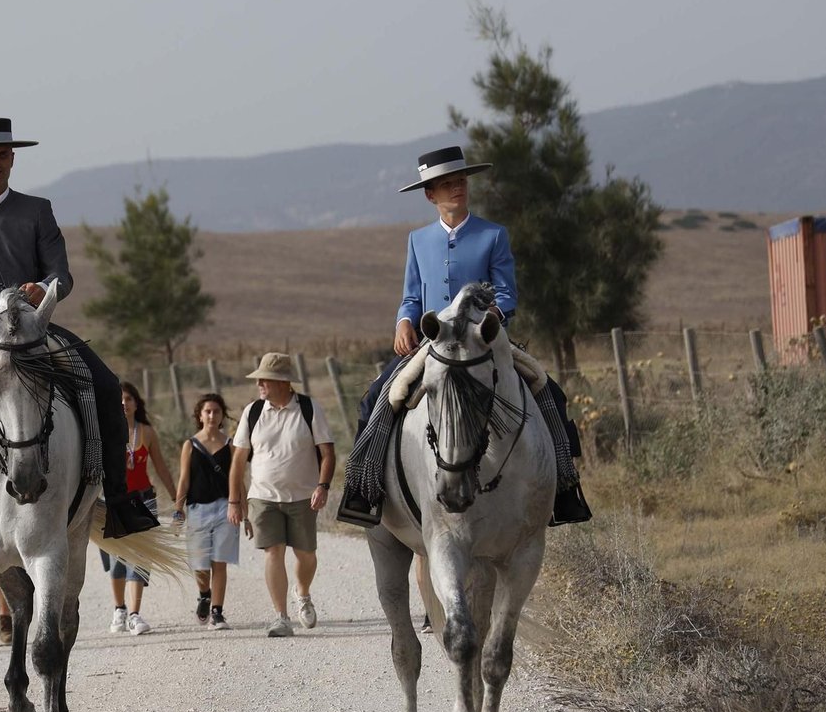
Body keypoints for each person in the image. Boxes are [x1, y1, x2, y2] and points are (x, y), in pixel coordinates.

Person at [334, 145, 590, 629]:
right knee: (376, 399)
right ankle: (364, 488)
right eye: (448, 183)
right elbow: (412, 294)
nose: (459, 186)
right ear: (431, 194)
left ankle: (564, 489)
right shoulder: (418, 240)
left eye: (462, 180)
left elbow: (507, 291)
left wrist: (493, 317)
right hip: (432, 348)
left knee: (547, 391)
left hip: (482, 344)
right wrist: (404, 321)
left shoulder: (493, 235)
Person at [0, 118, 160, 554]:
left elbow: (63, 274)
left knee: (105, 386)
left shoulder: (37, 210)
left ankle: (119, 500)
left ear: (12, 160)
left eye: (2, 155)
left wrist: (46, 288)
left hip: (32, 329)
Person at [228, 353, 336, 638]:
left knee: (306, 555)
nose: (260, 383)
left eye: (266, 379)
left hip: (303, 496)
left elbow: (327, 454)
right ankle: (281, 617)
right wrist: (234, 501)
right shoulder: (252, 412)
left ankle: (302, 593)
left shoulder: (310, 409)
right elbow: (238, 461)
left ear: (284, 382)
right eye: (259, 379)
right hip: (262, 497)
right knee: (273, 552)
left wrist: (323, 486)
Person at [102, 382, 176, 636]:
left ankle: (134, 614)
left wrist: (178, 500)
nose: (125, 403)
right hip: (116, 501)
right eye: (120, 399)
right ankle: (119, 609)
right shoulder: (107, 432)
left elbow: (162, 468)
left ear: (137, 403)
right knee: (118, 557)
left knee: (141, 557)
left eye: (130, 398)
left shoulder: (147, 432)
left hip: (144, 501)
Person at [174, 393, 239, 631]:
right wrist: (178, 510)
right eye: (207, 411)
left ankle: (218, 612)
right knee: (200, 564)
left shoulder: (231, 444)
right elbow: (184, 480)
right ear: (200, 415)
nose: (212, 416)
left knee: (219, 562)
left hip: (225, 508)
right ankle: (204, 594)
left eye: (216, 412)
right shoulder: (190, 445)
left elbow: (237, 478)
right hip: (197, 509)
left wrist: (243, 507)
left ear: (222, 415)